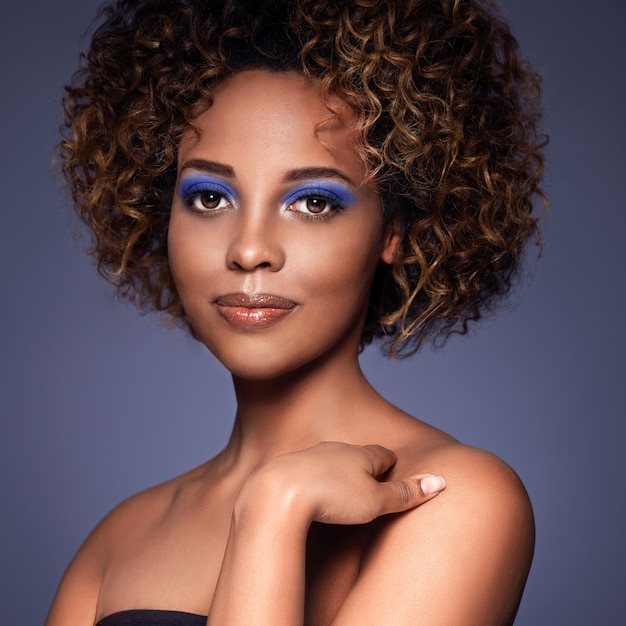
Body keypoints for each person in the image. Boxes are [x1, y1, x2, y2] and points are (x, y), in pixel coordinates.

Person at [45, 0, 545, 624]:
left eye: (312, 202)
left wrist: (271, 513)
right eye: (208, 196)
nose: (249, 248)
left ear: (393, 230)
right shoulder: (120, 538)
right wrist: (270, 513)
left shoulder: (454, 501)